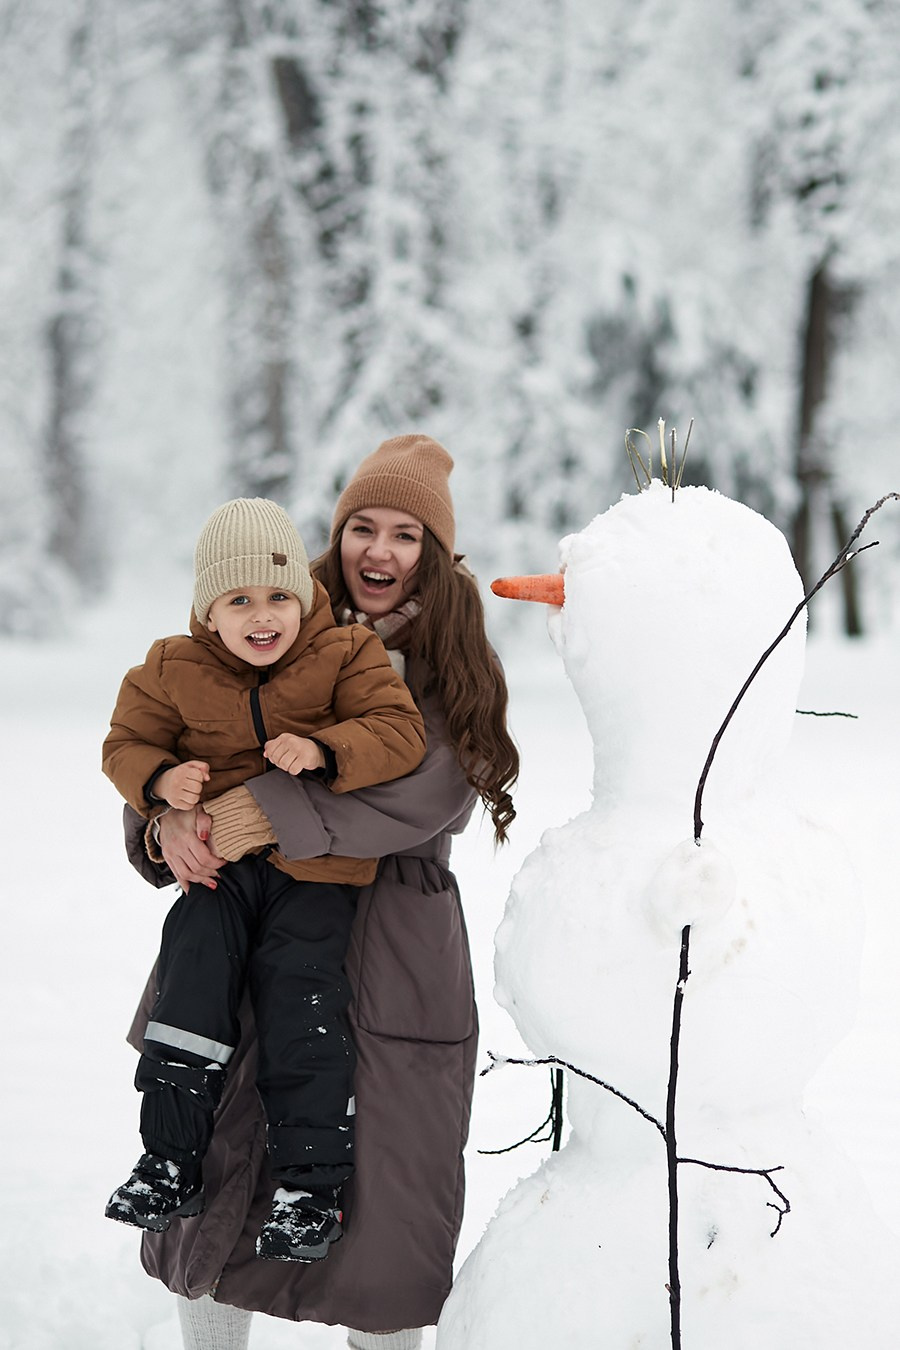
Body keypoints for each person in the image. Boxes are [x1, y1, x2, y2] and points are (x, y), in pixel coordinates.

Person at [122, 434, 519, 1350]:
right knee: (216, 1165)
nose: (379, 552)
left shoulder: (455, 666)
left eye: (407, 535)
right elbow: (176, 744)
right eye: (362, 528)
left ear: (437, 552)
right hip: (249, 920)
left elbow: (424, 792)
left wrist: (263, 812)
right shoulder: (263, 624)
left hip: (391, 950)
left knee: (385, 1203)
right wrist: (162, 819)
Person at [104, 496, 426, 1262]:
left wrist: (324, 749)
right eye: (239, 599)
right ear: (206, 610)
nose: (263, 615)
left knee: (301, 994)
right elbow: (125, 742)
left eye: (280, 595)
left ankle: (310, 1185)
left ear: (306, 597)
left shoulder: (346, 653)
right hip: (217, 871)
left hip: (314, 871)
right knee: (191, 978)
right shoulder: (168, 669)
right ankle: (168, 1157)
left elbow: (398, 733)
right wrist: (159, 784)